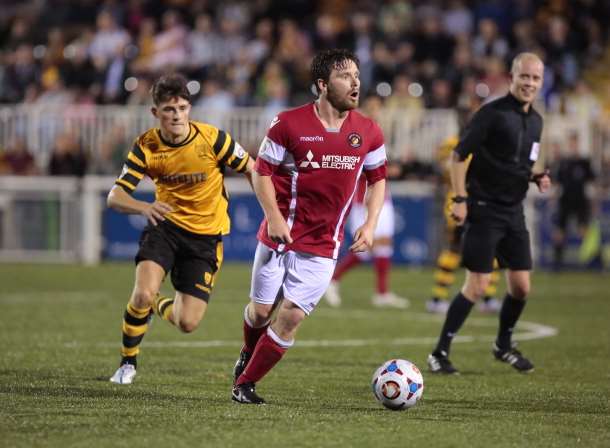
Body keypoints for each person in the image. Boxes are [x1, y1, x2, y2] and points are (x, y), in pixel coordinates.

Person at [231, 49, 387, 404]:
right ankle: (247, 350)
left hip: (323, 247)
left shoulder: (368, 130)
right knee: (259, 312)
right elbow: (261, 172)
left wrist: (370, 223)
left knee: (290, 318)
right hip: (279, 237)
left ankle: (245, 384)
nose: (355, 83)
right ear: (322, 84)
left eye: (357, 76)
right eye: (345, 76)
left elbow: (378, 179)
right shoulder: (288, 123)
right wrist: (272, 217)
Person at [107, 73, 254, 384]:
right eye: (169, 110)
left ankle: (156, 302)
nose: (177, 115)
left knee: (187, 323)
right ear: (155, 113)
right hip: (165, 229)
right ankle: (127, 363)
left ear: (190, 108)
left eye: (183, 108)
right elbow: (115, 196)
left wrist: (272, 210)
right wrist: (144, 207)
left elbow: (253, 169)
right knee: (142, 292)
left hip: (205, 238)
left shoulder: (213, 139)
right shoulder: (146, 145)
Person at [427, 52, 551, 375]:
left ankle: (503, 345)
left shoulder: (536, 121)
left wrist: (536, 176)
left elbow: (516, 164)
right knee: (477, 286)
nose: (529, 83)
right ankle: (439, 352)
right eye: (524, 76)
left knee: (521, 287)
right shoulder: (491, 113)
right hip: (483, 208)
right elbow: (457, 156)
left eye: (535, 78)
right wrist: (459, 198)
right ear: (512, 77)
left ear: (541, 82)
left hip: (514, 211)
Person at [324, 95, 408, 309]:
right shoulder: (354, 132)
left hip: (383, 197)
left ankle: (381, 293)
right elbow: (354, 166)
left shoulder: (378, 131)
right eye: (371, 107)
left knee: (383, 246)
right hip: (363, 199)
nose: (374, 111)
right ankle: (332, 280)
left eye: (378, 107)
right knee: (365, 248)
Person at [426, 133, 501, 315]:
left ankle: (488, 297)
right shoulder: (456, 143)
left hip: (478, 203)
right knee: (455, 248)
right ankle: (438, 298)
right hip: (460, 203)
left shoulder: (480, 144)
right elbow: (443, 165)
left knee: (489, 249)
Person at [552, 131, 596, 270]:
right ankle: (557, 264)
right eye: (571, 143)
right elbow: (557, 183)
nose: (573, 146)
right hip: (565, 200)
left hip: (580, 200)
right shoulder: (563, 163)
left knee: (584, 230)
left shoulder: (584, 162)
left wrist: (594, 200)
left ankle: (594, 261)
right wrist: (553, 198)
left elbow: (591, 182)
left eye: (575, 143)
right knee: (559, 232)